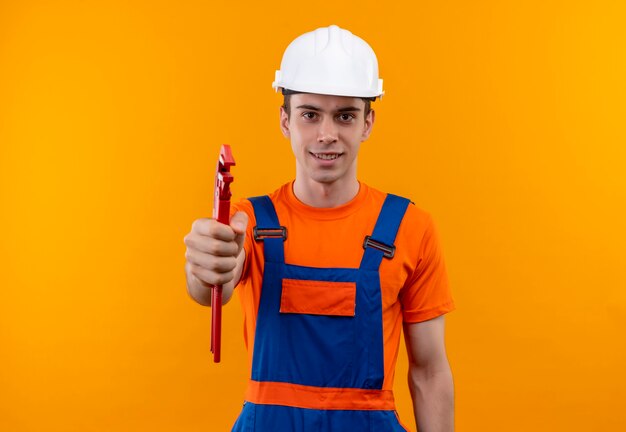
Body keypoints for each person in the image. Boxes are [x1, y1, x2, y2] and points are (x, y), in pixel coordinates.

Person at [184, 25, 455, 432]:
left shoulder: (409, 228)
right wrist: (206, 265)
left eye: (345, 115)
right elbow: (210, 287)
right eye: (310, 114)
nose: (327, 135)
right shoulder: (249, 224)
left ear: (367, 123)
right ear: (285, 121)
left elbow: (430, 372)